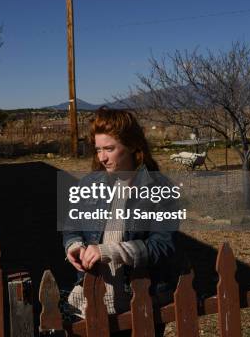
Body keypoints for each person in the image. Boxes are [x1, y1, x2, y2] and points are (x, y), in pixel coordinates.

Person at [62, 107, 184, 334]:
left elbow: (164, 245)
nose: (102, 157)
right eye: (98, 149)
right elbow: (72, 227)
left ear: (132, 146)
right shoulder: (89, 184)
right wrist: (74, 246)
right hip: (90, 304)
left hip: (140, 305)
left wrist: (109, 251)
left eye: (109, 148)